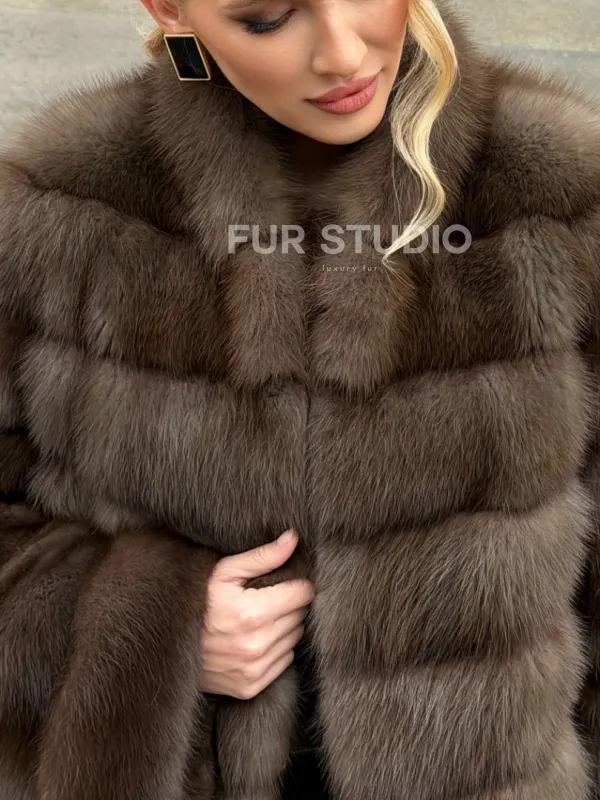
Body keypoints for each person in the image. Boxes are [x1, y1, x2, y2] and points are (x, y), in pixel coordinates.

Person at [0, 0, 599, 796]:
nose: (343, 54)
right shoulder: (59, 206)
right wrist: (150, 632)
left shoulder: (555, 191)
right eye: (267, 18)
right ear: (170, 10)